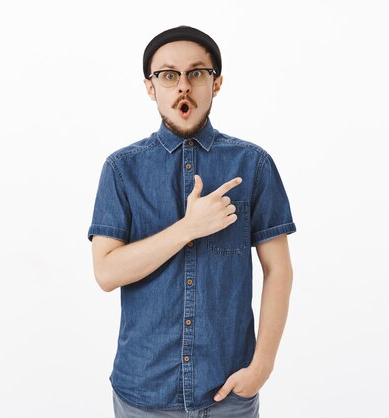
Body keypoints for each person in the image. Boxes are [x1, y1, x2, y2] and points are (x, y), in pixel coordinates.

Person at [87, 25, 296, 418]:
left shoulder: (253, 164)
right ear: (152, 87)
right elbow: (106, 272)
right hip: (143, 392)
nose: (183, 86)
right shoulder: (120, 169)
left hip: (229, 392)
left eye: (196, 73)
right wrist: (188, 228)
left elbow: (278, 268)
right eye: (168, 75)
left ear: (216, 83)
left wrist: (262, 366)